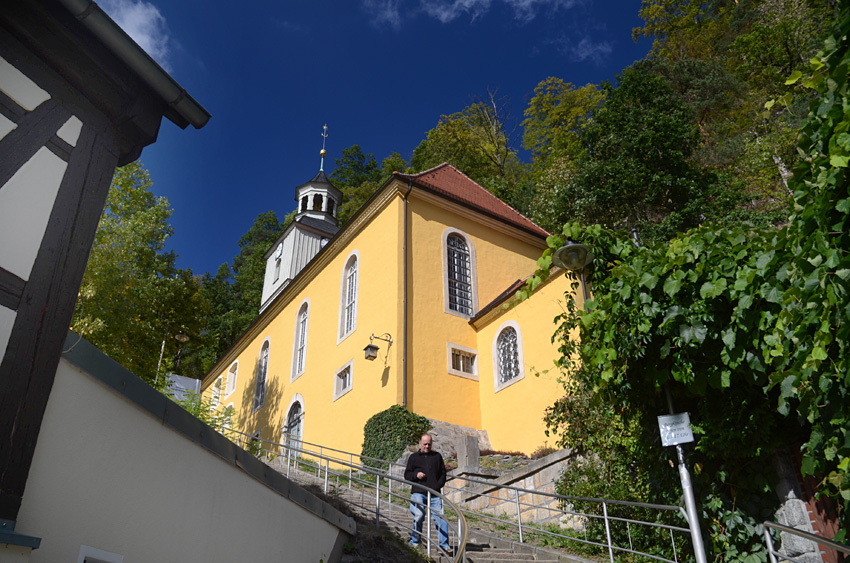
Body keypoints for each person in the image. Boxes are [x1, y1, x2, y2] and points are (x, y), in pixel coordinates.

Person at [404, 433, 450, 553]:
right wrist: (416, 475)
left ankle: (444, 545)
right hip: (418, 492)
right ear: (420, 444)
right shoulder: (413, 457)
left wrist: (438, 485)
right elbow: (407, 475)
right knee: (419, 515)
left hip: (434, 493)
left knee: (441, 518)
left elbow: (443, 474)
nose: (427, 446)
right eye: (425, 444)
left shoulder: (437, 456)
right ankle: (415, 540)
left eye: (429, 444)